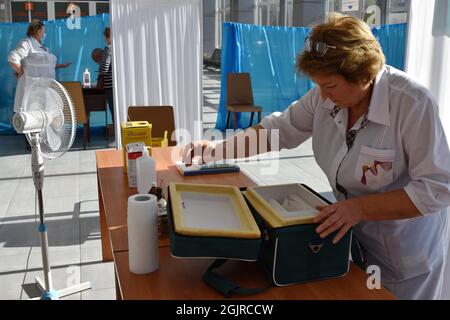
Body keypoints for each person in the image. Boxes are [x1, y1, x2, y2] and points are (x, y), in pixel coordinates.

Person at [183, 14, 450, 300]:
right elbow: (278, 129)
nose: (322, 96)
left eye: (330, 86)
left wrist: (360, 208)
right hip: (352, 240)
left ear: (363, 74)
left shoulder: (412, 103)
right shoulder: (324, 98)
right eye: (318, 85)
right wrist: (216, 150)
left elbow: (437, 188)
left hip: (405, 253)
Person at [8, 19, 72, 113]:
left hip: (45, 88)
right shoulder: (27, 43)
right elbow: (12, 58)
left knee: (44, 117)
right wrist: (21, 72)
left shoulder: (42, 47)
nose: (44, 34)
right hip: (32, 88)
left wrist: (61, 66)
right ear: (38, 31)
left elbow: (44, 66)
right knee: (32, 118)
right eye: (43, 31)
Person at [99, 27, 115, 148]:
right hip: (119, 85)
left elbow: (104, 69)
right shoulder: (120, 47)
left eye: (106, 36)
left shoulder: (107, 50)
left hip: (110, 86)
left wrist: (100, 66)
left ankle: (117, 139)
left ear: (108, 36)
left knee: (114, 113)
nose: (105, 39)